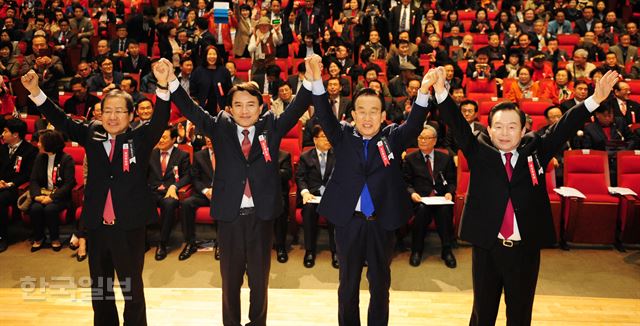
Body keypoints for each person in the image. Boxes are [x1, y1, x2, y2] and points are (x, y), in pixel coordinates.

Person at [436, 68, 621, 326]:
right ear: (488, 130)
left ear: (523, 130)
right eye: (498, 126)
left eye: (512, 126)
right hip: (488, 247)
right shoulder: (478, 151)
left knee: (521, 314)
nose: (504, 132)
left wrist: (594, 101)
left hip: (525, 249)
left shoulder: (537, 149)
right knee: (483, 312)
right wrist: (440, 92)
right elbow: (456, 122)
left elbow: (564, 125)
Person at [154, 55, 314, 326]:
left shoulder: (271, 126)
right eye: (237, 105)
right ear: (229, 108)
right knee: (230, 281)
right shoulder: (219, 127)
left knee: (260, 281)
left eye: (250, 105)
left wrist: (309, 80)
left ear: (260, 107)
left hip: (261, 216)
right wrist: (170, 81)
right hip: (229, 217)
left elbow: (297, 108)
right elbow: (190, 109)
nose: (244, 111)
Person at [21, 60, 171, 324]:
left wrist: (162, 84)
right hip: (98, 227)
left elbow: (160, 117)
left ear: (131, 114)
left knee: (131, 288)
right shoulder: (91, 133)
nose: (112, 117)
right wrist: (36, 92)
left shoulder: (141, 137)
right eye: (107, 111)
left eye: (119, 111)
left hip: (129, 227)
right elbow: (61, 119)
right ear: (100, 114)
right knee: (100, 289)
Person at [309, 53, 440, 324]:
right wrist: (316, 80)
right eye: (361, 111)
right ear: (352, 114)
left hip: (381, 224)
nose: (367, 117)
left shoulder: (393, 137)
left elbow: (414, 123)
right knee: (348, 286)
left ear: (382, 115)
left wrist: (424, 90)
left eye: (373, 112)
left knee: (380, 286)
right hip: (349, 222)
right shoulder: (342, 136)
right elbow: (323, 112)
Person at [404, 125, 457, 268]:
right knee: (422, 210)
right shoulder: (410, 159)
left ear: (434, 141)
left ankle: (447, 250)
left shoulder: (445, 158)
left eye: (427, 138)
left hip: (440, 198)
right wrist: (412, 194)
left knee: (445, 210)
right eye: (420, 138)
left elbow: (452, 181)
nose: (423, 141)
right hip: (420, 199)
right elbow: (406, 183)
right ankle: (416, 250)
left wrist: (448, 193)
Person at [296, 125, 338, 269]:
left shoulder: (337, 155)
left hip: (331, 195)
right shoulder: (305, 157)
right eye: (324, 137)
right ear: (315, 140)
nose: (328, 140)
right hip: (312, 195)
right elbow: (300, 178)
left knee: (334, 211)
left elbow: (342, 178)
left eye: (329, 137)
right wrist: (305, 192)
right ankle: (309, 251)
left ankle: (336, 251)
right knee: (308, 210)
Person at [28, 130, 76, 252]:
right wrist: (36, 196)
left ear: (49, 144)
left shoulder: (66, 159)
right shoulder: (40, 157)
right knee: (35, 208)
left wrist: (52, 197)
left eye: (40, 142)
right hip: (42, 194)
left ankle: (55, 239)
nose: (38, 144)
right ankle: (39, 238)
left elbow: (69, 184)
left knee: (50, 209)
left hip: (60, 196)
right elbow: (33, 180)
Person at [148, 126, 191, 260]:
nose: (160, 140)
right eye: (159, 137)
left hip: (169, 192)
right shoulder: (151, 153)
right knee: (137, 200)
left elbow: (187, 176)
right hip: (152, 191)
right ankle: (141, 241)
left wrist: (174, 186)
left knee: (170, 204)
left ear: (173, 139)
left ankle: (162, 243)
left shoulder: (182, 155)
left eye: (164, 137)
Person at [0, 119, 38, 253]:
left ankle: (2, 237)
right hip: (0, 184)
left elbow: (28, 174)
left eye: (5, 131)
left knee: (1, 199)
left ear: (15, 134)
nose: (2, 134)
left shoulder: (30, 150)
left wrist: (9, 184)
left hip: (17, 188)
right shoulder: (2, 148)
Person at [178, 136, 215, 261]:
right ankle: (190, 243)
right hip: (204, 194)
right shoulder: (199, 156)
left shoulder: (228, 153)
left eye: (213, 136)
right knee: (187, 203)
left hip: (222, 194)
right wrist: (205, 191)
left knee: (225, 204)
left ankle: (222, 243)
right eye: (207, 137)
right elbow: (195, 178)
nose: (209, 139)